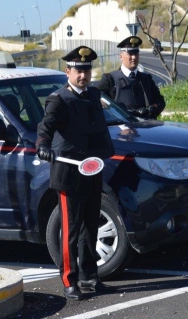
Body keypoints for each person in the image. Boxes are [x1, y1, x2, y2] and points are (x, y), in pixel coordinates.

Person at [36, 45, 116, 301]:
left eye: (87, 70)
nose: (83, 75)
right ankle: (69, 281)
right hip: (69, 174)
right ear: (67, 71)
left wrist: (107, 149)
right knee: (70, 231)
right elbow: (45, 128)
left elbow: (100, 128)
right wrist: (43, 146)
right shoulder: (58, 99)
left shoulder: (93, 96)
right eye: (78, 70)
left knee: (90, 229)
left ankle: (90, 277)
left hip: (91, 171)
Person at [96, 35, 165, 119]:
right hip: (122, 129)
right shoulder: (110, 80)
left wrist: (152, 109)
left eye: (136, 53)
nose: (134, 57)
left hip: (146, 127)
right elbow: (96, 100)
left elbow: (160, 101)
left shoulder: (146, 79)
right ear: (121, 56)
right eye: (130, 54)